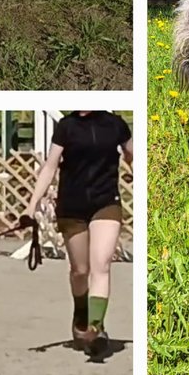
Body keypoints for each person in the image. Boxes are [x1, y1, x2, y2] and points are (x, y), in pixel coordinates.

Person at [23, 111, 133, 356]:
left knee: (101, 265)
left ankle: (96, 327)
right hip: (72, 206)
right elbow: (50, 168)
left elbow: (133, 156)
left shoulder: (115, 124)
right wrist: (32, 206)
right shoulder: (67, 126)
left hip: (106, 202)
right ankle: (81, 312)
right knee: (80, 271)